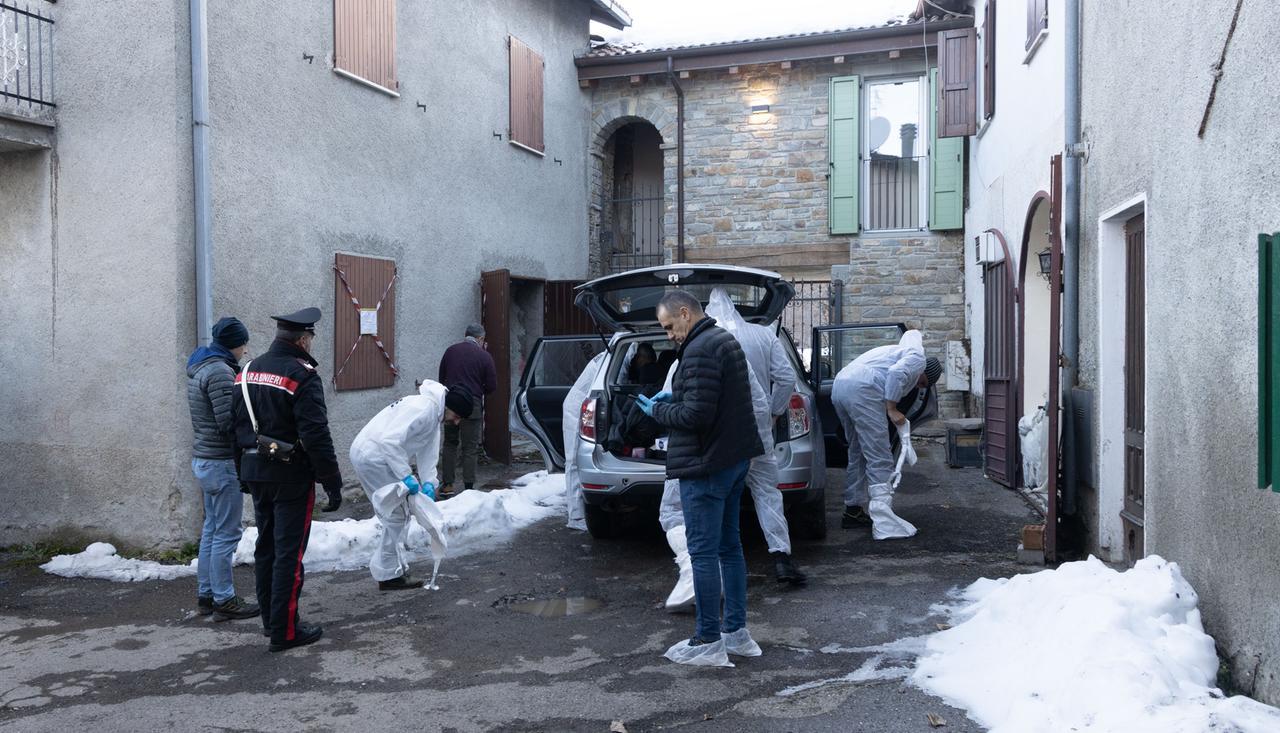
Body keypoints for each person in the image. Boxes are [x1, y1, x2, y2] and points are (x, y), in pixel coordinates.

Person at [635, 290, 764, 667]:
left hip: (707, 465)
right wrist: (675, 397)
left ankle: (708, 638)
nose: (669, 335)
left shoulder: (699, 349)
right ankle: (736, 632)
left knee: (704, 554)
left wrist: (660, 410)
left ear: (685, 313)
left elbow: (697, 417)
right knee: (730, 548)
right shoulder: (723, 339)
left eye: (669, 326)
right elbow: (712, 401)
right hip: (733, 459)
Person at [232, 307, 342, 652]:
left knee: (267, 547)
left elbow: (233, 429)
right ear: (304, 339)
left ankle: (271, 620)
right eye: (311, 339)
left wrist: (242, 473)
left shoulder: (247, 371)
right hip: (291, 475)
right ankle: (286, 631)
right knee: (289, 554)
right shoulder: (302, 374)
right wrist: (331, 479)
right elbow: (315, 434)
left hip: (255, 470)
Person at [349, 379, 473, 590]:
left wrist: (428, 483)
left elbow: (428, 453)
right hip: (373, 458)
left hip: (374, 457)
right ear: (449, 408)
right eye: (457, 416)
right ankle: (388, 575)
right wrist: (406, 476)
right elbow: (389, 440)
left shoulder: (433, 412)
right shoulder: (424, 409)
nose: (456, 422)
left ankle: (391, 570)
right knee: (396, 514)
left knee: (396, 514)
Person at [832, 329, 943, 540]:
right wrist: (892, 409)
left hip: (841, 385)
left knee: (857, 452)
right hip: (863, 389)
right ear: (924, 371)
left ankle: (853, 510)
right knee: (880, 456)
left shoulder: (892, 352)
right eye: (922, 383)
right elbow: (895, 374)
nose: (918, 387)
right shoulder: (917, 359)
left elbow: (892, 373)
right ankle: (883, 522)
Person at [186, 316, 259, 622]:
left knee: (212, 530)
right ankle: (225, 600)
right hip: (219, 462)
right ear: (235, 343)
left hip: (205, 460)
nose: (244, 349)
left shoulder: (203, 365)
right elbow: (226, 421)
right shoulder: (218, 371)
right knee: (226, 534)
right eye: (243, 343)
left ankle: (207, 595)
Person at [437, 324, 497, 495]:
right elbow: (492, 386)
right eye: (483, 339)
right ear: (479, 338)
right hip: (473, 405)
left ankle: (447, 485)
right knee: (470, 447)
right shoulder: (484, 356)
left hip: (452, 404)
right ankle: (468, 488)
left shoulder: (450, 351)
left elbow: (442, 377)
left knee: (450, 443)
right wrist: (479, 393)